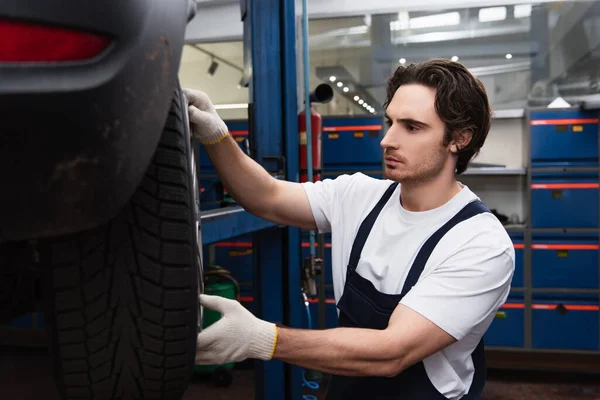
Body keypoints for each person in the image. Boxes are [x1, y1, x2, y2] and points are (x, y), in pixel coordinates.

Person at [184, 58, 515, 400]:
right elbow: (266, 196)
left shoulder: (481, 244)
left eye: (412, 127)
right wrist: (216, 135)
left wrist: (263, 339)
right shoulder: (358, 196)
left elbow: (392, 351)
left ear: (459, 139)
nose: (388, 140)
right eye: (390, 122)